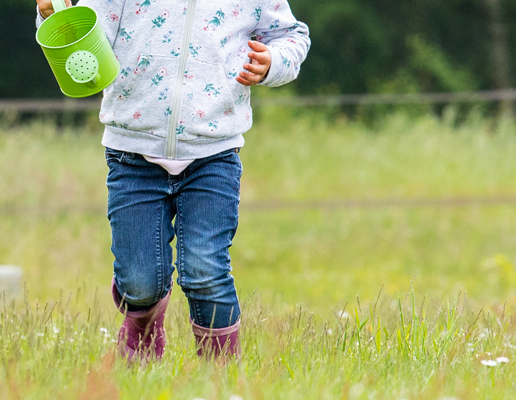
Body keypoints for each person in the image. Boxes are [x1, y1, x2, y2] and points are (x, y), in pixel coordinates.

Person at [37, 0, 311, 360]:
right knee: (139, 281)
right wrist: (54, 15)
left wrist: (273, 62)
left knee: (205, 269)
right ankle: (142, 326)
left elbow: (292, 36)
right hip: (133, 152)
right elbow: (87, 44)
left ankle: (221, 375)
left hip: (213, 152)